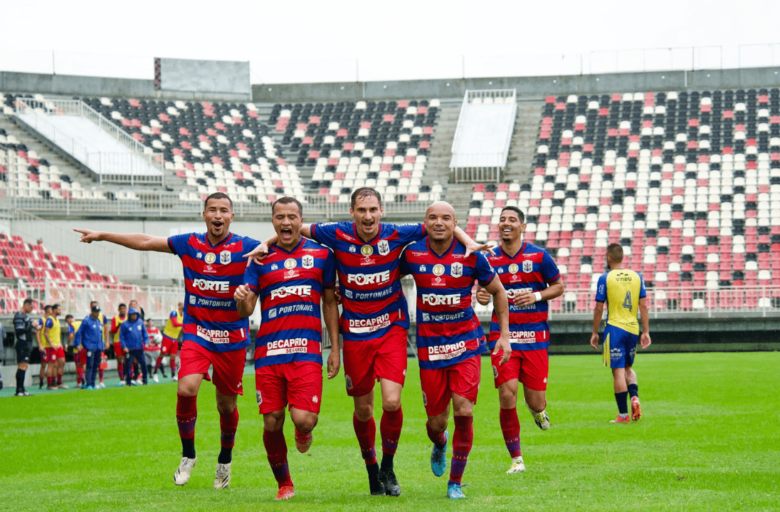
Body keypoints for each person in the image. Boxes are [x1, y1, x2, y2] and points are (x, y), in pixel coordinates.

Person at [246, 187, 485, 497]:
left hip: (391, 328)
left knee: (391, 401)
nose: (368, 216)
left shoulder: (399, 232)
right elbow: (291, 229)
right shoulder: (335, 233)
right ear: (352, 213)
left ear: (381, 211)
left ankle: (388, 465)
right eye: (362, 210)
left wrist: (467, 241)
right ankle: (372, 469)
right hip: (356, 333)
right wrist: (266, 243)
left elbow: (440, 224)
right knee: (363, 411)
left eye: (373, 209)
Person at [75, 192, 260, 490]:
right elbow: (146, 241)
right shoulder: (189, 243)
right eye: (212, 209)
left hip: (232, 339)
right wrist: (104, 235)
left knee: (226, 406)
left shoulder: (248, 247)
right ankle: (188, 456)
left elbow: (278, 249)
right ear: (204, 214)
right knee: (186, 389)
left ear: (231, 216)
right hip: (197, 333)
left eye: (224, 210)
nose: (218, 215)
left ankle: (224, 462)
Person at [399, 201, 511, 499]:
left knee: (463, 410)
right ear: (425, 222)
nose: (439, 223)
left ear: (455, 223)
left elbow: (499, 291)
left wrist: (505, 336)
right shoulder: (411, 253)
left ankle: (455, 482)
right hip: (430, 348)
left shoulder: (472, 257)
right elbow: (383, 279)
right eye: (433, 217)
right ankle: (439, 443)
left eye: (446, 218)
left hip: (466, 344)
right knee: (436, 422)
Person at [235, 197, 340, 500]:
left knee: (304, 419)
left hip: (306, 351)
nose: (286, 222)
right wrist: (242, 296)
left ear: (300, 220)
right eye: (279, 217)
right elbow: (246, 309)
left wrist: (334, 348)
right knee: (271, 420)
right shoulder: (259, 258)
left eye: (291, 216)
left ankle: (303, 431)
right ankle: (285, 484)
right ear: (272, 221)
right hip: (268, 353)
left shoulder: (322, 255)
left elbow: (329, 302)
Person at [476, 206, 564, 473]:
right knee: (506, 395)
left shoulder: (539, 255)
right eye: (502, 219)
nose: (506, 223)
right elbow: (483, 289)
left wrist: (536, 296)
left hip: (535, 338)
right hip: (503, 337)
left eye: (512, 220)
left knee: (536, 401)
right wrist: (481, 296)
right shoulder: (489, 258)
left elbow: (559, 286)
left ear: (522, 227)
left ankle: (537, 410)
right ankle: (517, 459)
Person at [590, 243, 652, 423]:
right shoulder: (637, 277)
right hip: (633, 328)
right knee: (628, 369)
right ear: (622, 257)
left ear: (608, 257)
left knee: (617, 372)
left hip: (615, 328)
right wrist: (645, 331)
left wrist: (594, 332)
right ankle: (634, 396)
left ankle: (623, 415)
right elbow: (644, 306)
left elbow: (599, 307)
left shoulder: (605, 278)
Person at [74, 306, 108, 390]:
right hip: (89, 346)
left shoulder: (99, 322)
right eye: (95, 311)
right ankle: (88, 383)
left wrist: (102, 346)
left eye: (98, 311)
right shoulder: (86, 321)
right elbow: (79, 332)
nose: (97, 313)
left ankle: (93, 383)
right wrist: (78, 344)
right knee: (89, 365)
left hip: (98, 347)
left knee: (95, 366)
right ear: (92, 312)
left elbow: (100, 335)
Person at [120, 307, 149, 386]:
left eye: (136, 315)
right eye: (133, 315)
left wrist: (146, 342)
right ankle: (128, 381)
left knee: (143, 364)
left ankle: (145, 380)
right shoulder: (124, 324)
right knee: (128, 365)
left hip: (139, 348)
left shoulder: (140, 322)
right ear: (129, 315)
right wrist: (124, 346)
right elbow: (121, 337)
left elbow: (145, 333)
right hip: (129, 349)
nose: (135, 316)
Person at [13, 298, 36, 396]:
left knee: (24, 366)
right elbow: (19, 331)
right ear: (26, 304)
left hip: (26, 344)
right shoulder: (19, 315)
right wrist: (31, 326)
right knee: (22, 366)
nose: (32, 309)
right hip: (22, 343)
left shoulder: (25, 316)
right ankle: (18, 390)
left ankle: (22, 388)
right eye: (31, 306)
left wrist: (34, 326)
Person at [158, 302, 184, 381]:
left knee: (173, 357)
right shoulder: (174, 312)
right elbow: (175, 324)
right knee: (162, 354)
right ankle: (155, 371)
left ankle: (173, 375)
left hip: (174, 338)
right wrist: (184, 325)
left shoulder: (185, 315)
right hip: (167, 337)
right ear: (179, 305)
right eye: (183, 305)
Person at [44, 304, 68, 390]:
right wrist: (51, 344)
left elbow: (56, 333)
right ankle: (49, 384)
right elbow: (45, 333)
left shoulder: (57, 320)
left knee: (62, 362)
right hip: (51, 347)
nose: (60, 311)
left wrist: (60, 343)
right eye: (58, 309)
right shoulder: (49, 320)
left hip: (58, 346)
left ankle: (59, 382)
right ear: (53, 310)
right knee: (51, 365)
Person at [89, 300, 109, 389]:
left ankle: (101, 381)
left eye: (96, 306)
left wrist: (107, 341)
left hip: (100, 344)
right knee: (91, 364)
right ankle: (90, 382)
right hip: (91, 345)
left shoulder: (103, 317)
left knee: (101, 363)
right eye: (93, 306)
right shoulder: (88, 317)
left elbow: (106, 329)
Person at [110, 303, 128, 385]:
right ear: (118, 309)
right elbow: (113, 331)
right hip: (117, 342)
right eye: (121, 309)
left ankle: (129, 378)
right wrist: (118, 326)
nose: (123, 310)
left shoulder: (128, 318)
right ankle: (122, 379)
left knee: (128, 360)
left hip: (128, 342)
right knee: (120, 360)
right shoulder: (115, 319)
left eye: (124, 308)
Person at [66, 314, 85, 388]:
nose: (68, 323)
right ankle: (82, 381)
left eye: (67, 322)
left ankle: (81, 382)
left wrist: (67, 344)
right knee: (84, 364)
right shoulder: (82, 322)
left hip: (77, 348)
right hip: (85, 346)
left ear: (69, 319)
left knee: (78, 365)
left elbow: (71, 336)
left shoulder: (72, 325)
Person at [37, 305, 52, 389]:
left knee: (52, 364)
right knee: (43, 365)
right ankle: (41, 381)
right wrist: (39, 344)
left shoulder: (52, 320)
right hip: (44, 345)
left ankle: (50, 382)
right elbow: (37, 332)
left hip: (51, 346)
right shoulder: (42, 320)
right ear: (46, 310)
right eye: (50, 309)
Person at [145, 319, 163, 383]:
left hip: (155, 348)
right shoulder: (145, 330)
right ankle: (150, 374)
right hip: (147, 348)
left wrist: (159, 342)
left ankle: (161, 373)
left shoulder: (157, 329)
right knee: (148, 362)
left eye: (151, 321)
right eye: (149, 322)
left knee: (159, 360)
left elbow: (160, 337)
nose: (150, 323)